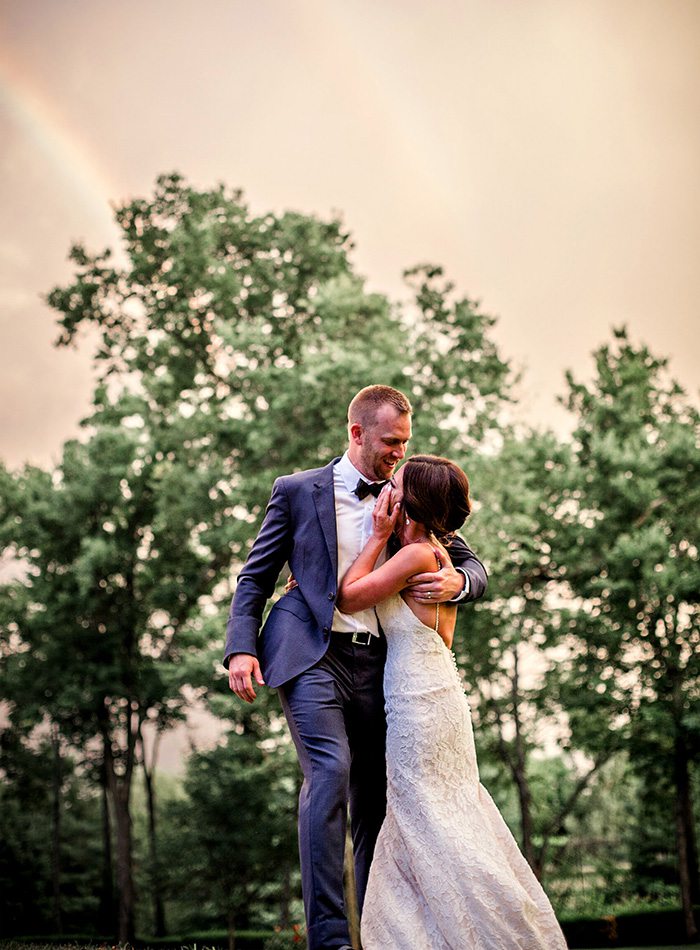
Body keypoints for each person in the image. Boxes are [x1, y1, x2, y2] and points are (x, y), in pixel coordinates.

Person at [224, 385, 488, 950]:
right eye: (391, 441)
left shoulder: (411, 493)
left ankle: (382, 934)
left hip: (384, 665)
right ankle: (331, 939)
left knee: (376, 798)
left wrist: (459, 582)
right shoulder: (296, 491)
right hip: (310, 654)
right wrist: (240, 647)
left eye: (406, 442)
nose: (400, 451)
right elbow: (255, 576)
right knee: (331, 772)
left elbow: (470, 561)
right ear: (357, 433)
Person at [337, 455, 568, 950]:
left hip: (419, 705)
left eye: (395, 486)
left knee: (428, 816)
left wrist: (377, 535)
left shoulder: (418, 554)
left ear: (412, 501)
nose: (386, 492)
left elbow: (350, 597)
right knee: (439, 815)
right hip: (432, 695)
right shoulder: (430, 551)